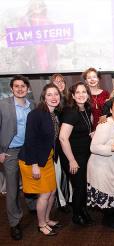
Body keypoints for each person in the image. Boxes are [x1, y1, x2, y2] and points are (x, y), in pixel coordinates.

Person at [18, 83, 62, 236]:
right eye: (49, 94)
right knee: (44, 194)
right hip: (33, 160)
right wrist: (34, 165)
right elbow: (30, 140)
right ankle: (41, 224)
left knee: (52, 191)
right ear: (44, 97)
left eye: (56, 94)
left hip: (47, 159)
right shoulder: (35, 114)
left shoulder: (54, 114)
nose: (53, 97)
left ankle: (47, 218)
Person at [0, 75, 36, 240]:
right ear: (11, 89)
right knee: (13, 189)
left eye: (23, 86)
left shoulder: (32, 105)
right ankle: (15, 223)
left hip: (28, 149)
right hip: (11, 152)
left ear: (28, 88)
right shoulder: (3, 105)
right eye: (16, 86)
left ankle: (33, 206)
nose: (20, 89)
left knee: (31, 181)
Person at [87, 98, 114, 228]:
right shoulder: (105, 125)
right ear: (111, 110)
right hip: (102, 166)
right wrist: (112, 147)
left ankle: (113, 213)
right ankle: (108, 219)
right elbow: (93, 147)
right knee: (107, 192)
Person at [59, 82, 93, 226]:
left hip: (84, 154)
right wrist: (72, 160)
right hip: (72, 155)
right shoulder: (71, 112)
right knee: (79, 186)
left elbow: (85, 130)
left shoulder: (86, 109)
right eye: (77, 92)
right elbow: (63, 138)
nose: (81, 95)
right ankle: (76, 215)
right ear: (72, 95)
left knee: (83, 184)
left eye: (84, 92)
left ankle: (83, 209)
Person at [50, 74, 72, 214]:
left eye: (62, 81)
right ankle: (62, 202)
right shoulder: (51, 104)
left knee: (67, 174)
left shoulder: (67, 100)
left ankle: (69, 199)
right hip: (55, 146)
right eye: (56, 82)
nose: (60, 83)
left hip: (67, 143)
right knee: (58, 175)